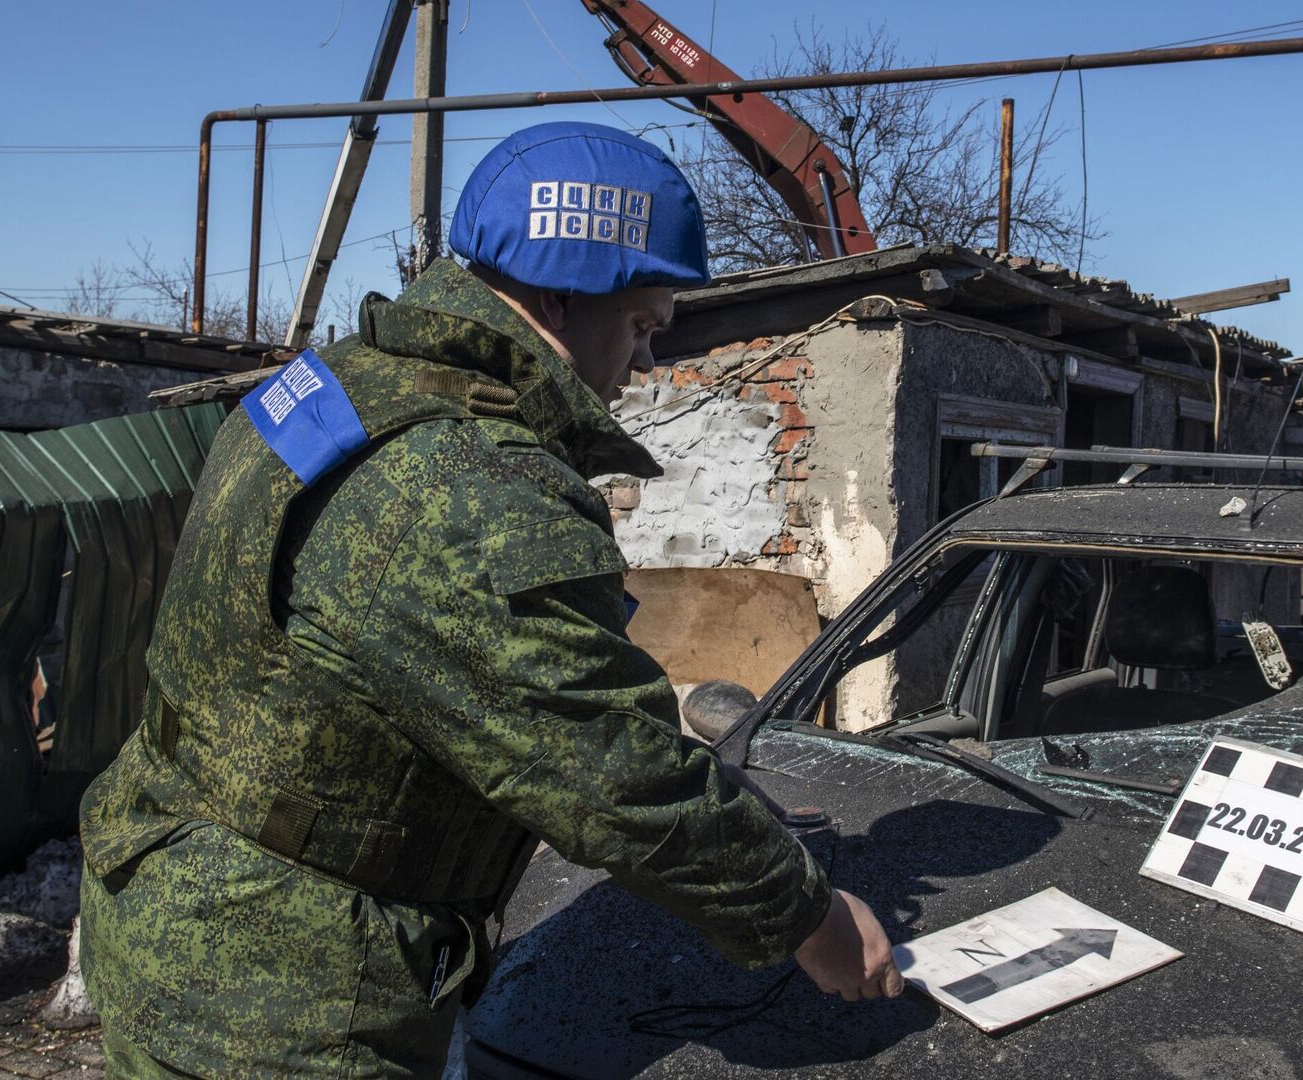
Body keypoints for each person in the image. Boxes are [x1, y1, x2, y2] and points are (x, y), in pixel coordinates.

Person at [77, 122, 901, 1078]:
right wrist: (807, 915)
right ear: (556, 295)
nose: (641, 368)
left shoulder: (338, 387)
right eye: (641, 327)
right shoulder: (465, 486)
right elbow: (612, 772)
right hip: (278, 996)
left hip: (189, 905)